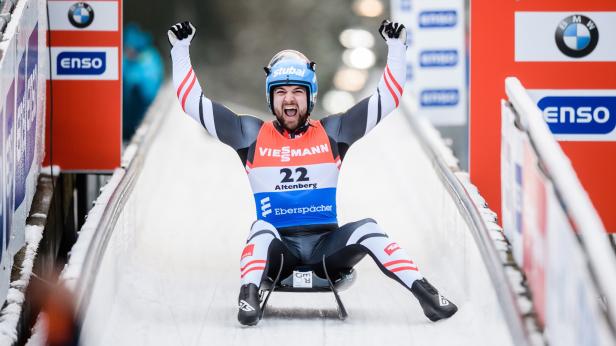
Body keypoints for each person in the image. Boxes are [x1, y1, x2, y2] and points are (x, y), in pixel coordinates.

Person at [168, 20, 458, 326]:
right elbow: (192, 103)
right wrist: (180, 49)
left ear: (311, 96)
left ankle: (427, 295)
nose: (289, 99)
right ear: (271, 98)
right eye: (280, 92)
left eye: (297, 91)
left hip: (326, 253)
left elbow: (387, 99)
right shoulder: (250, 134)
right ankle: (248, 296)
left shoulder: (333, 131)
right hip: (279, 251)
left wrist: (396, 48)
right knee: (260, 229)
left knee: (368, 228)